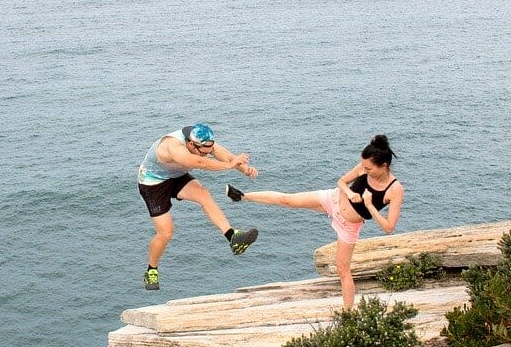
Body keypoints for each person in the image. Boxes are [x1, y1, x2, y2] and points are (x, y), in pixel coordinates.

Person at [225, 134, 403, 307]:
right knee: (287, 200)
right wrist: (349, 192)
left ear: (384, 166)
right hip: (333, 199)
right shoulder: (364, 166)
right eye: (363, 167)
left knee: (343, 270)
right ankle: (241, 196)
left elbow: (389, 227)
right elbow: (342, 181)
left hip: (349, 225)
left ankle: (348, 314)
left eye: (369, 169)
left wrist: (370, 205)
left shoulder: (395, 189)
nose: (364, 170)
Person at [137, 123, 260, 290]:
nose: (208, 154)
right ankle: (151, 270)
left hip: (177, 175)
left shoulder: (202, 141)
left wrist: (244, 169)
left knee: (203, 194)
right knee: (166, 233)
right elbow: (200, 162)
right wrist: (229, 166)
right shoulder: (173, 147)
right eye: (204, 151)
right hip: (153, 183)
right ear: (190, 144)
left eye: (210, 149)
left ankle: (233, 238)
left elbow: (225, 156)